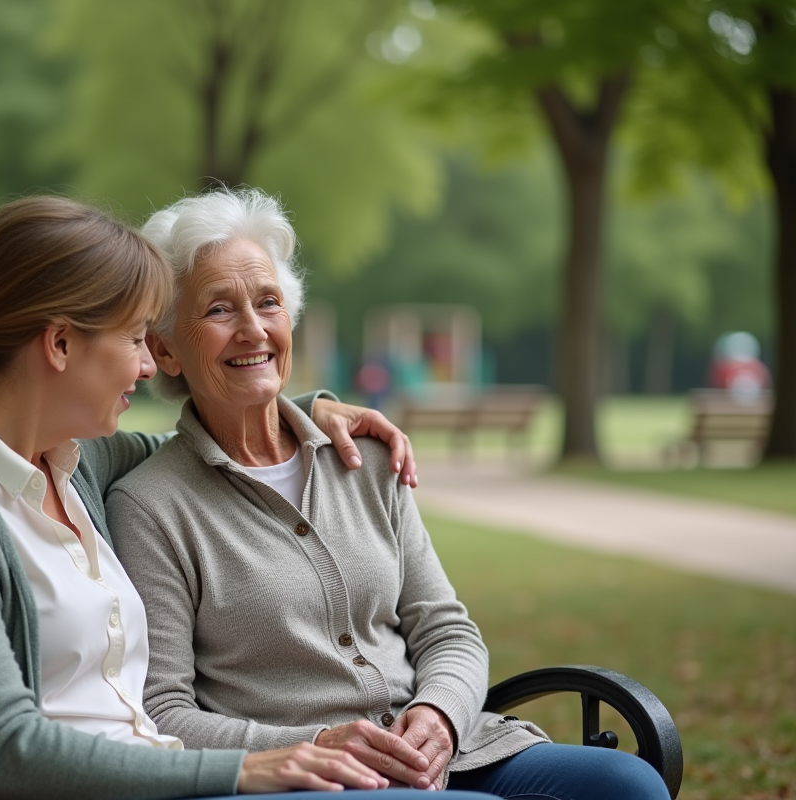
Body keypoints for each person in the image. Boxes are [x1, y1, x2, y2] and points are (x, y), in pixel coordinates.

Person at [0, 195, 498, 800]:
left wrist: (310, 411)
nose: (149, 365)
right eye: (132, 339)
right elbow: (7, 752)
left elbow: (218, 447)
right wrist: (248, 767)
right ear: (60, 343)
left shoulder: (69, 459)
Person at [105, 188, 672, 800]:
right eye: (218, 310)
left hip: (448, 752)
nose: (253, 330)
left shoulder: (367, 459)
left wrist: (441, 715)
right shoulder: (151, 507)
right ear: (163, 348)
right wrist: (313, 745)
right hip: (313, 781)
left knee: (627, 784)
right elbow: (162, 713)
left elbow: (447, 629)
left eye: (268, 303)